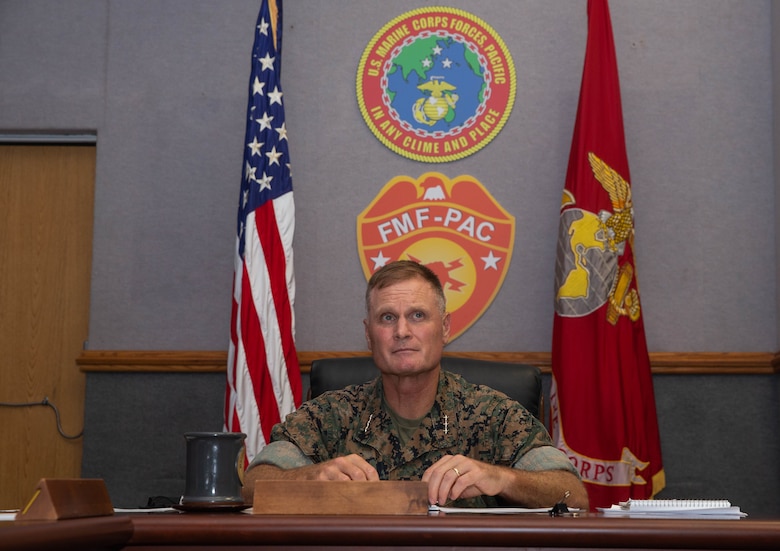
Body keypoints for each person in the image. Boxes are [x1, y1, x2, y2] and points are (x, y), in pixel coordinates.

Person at [243, 260, 588, 509]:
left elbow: (572, 492)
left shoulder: (493, 414)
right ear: (368, 334)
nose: (402, 331)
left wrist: (500, 478)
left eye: (418, 316)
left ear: (446, 327)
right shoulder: (331, 413)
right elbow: (250, 486)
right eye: (387, 317)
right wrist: (312, 477)